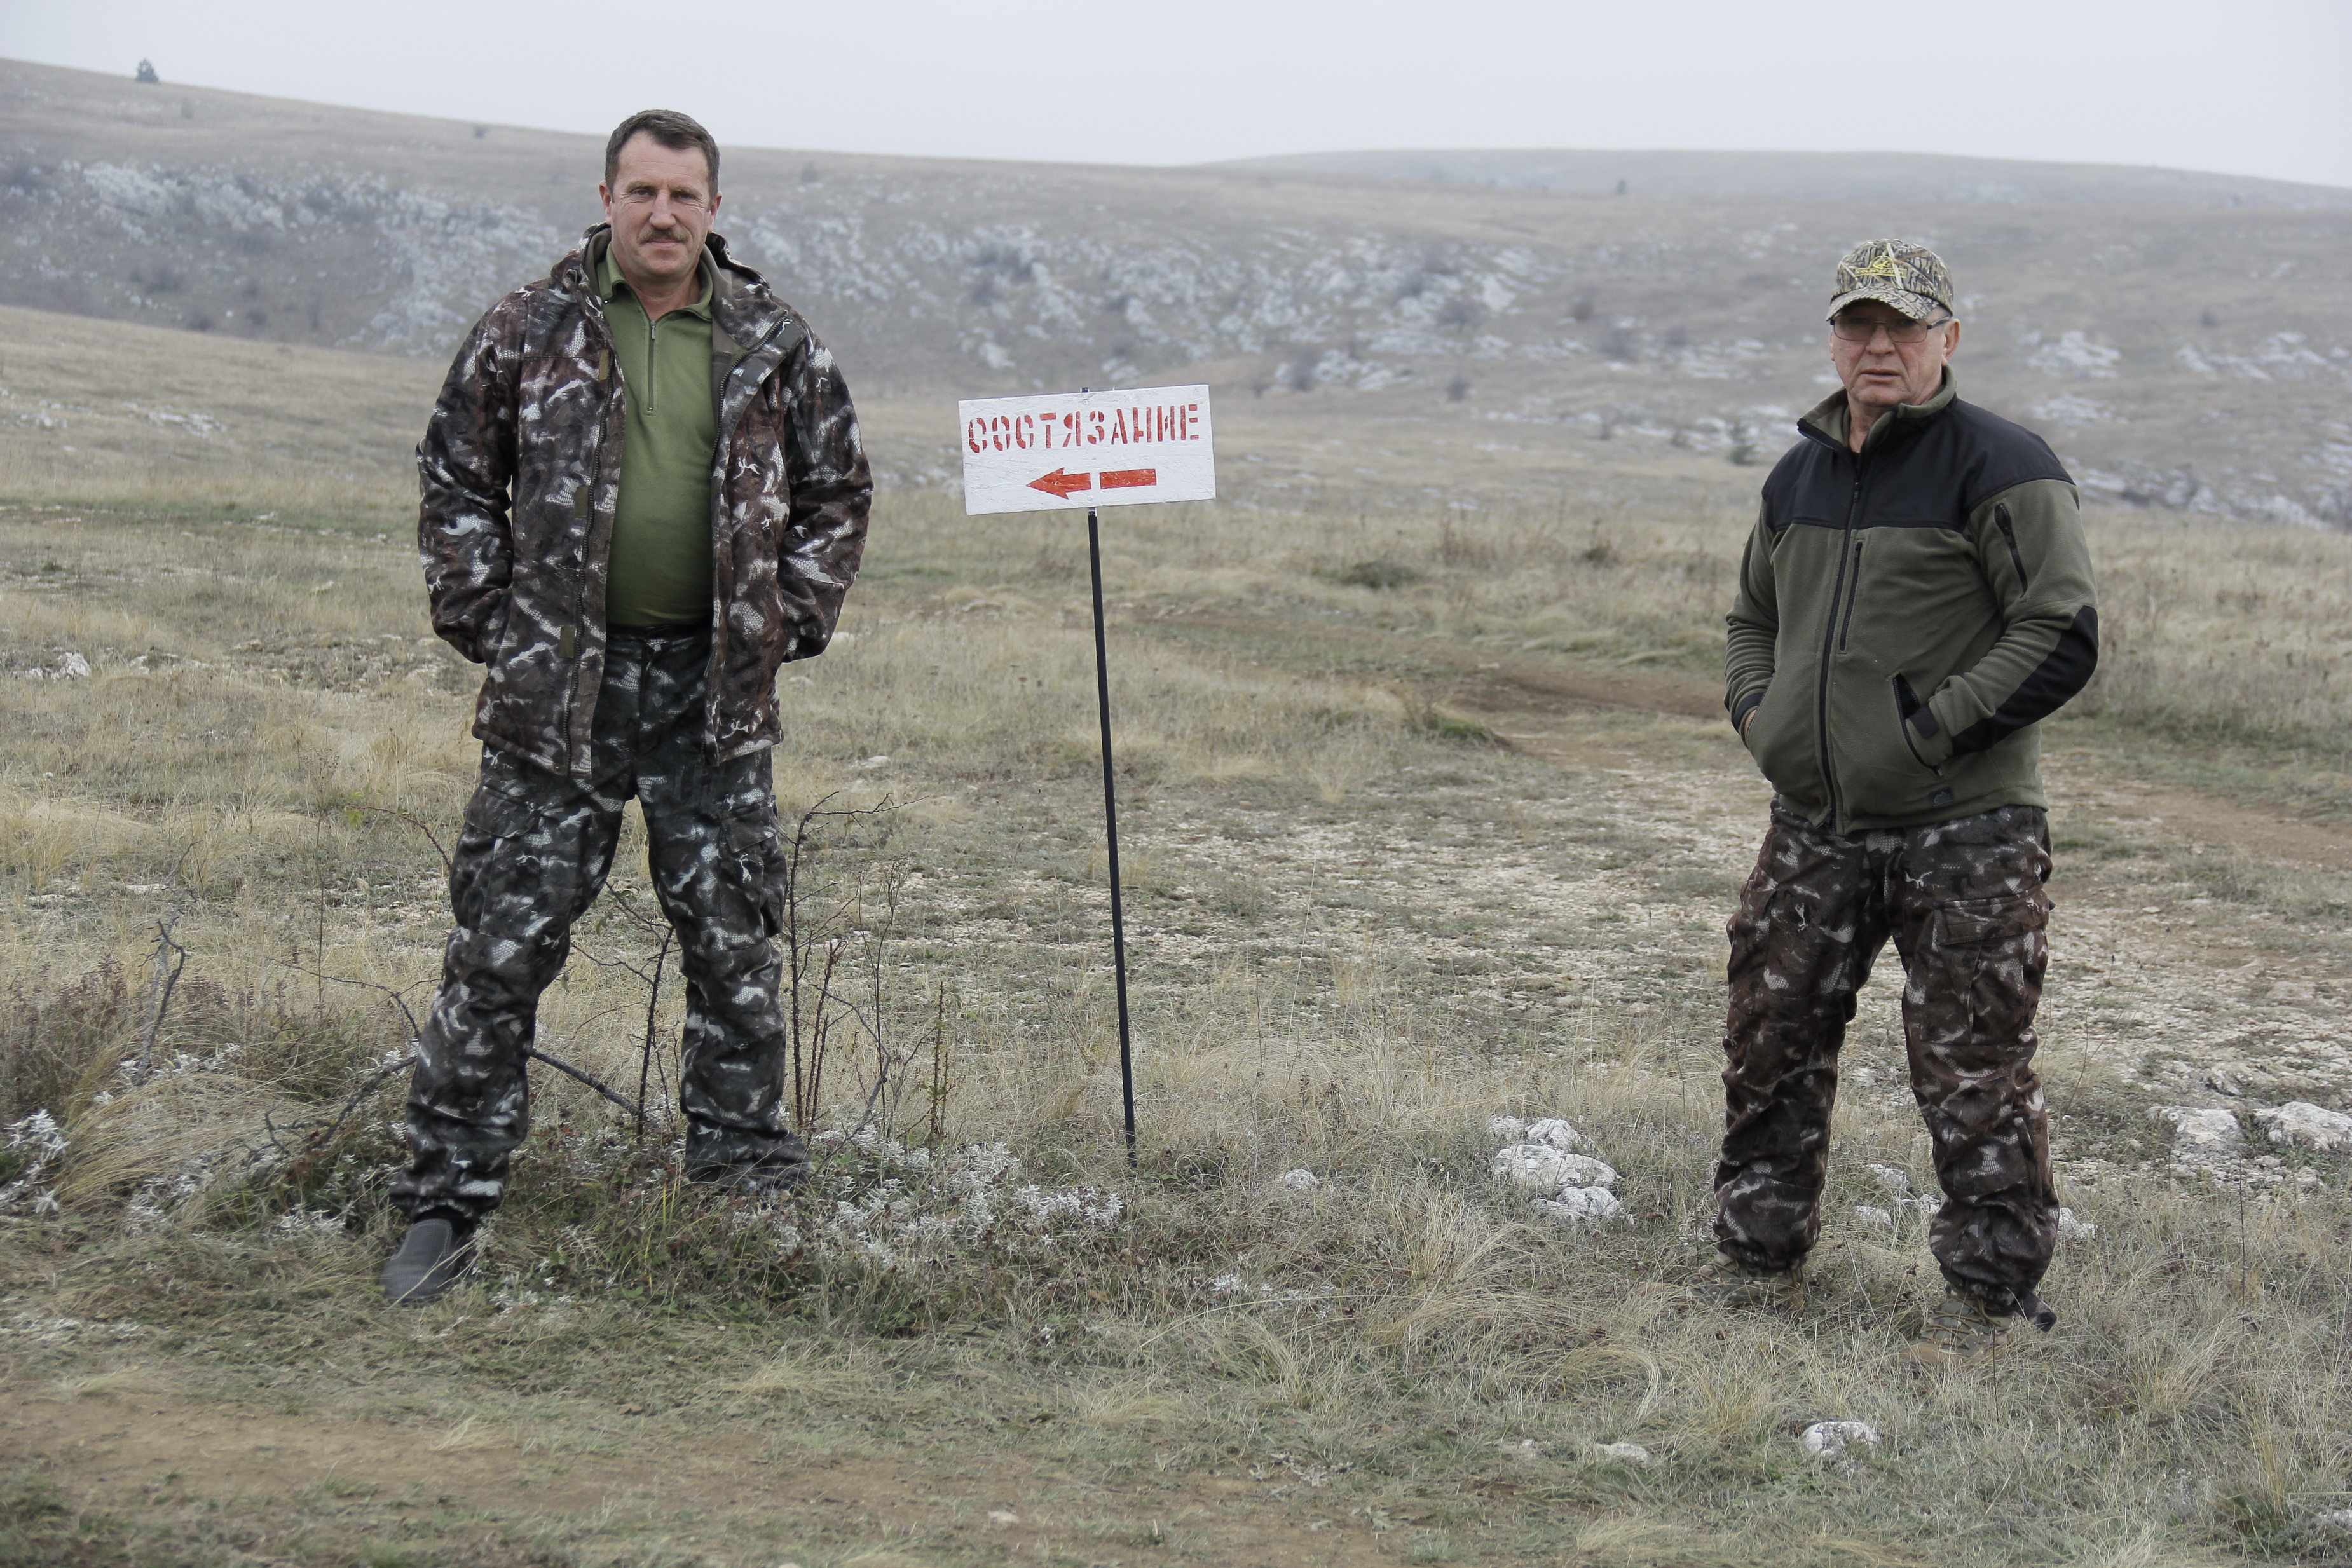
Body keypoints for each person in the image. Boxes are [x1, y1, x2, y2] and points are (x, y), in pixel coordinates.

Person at [383, 109, 872, 1304]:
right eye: (643, 192)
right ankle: (445, 1204)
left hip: (714, 698)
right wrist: (493, 623)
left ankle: (742, 1200)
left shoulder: (773, 342)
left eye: (684, 196)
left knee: (734, 949)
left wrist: (784, 622)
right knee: (500, 949)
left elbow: (838, 491)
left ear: (714, 209)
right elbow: (455, 476)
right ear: (606, 197)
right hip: (558, 697)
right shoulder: (527, 329)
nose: (663, 214)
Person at [1699, 239, 2098, 1365]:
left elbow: (2061, 632)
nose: (1880, 346)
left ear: (1947, 339)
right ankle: (1757, 1260)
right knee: (1771, 1039)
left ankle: (1992, 1299)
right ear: (1834, 339)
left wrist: (1928, 732)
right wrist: (1762, 721)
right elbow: (1751, 619)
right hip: (1813, 823)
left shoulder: (2003, 466)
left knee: (1971, 1067)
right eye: (1859, 325)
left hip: (1967, 827)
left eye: (1904, 327)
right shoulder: (1800, 475)